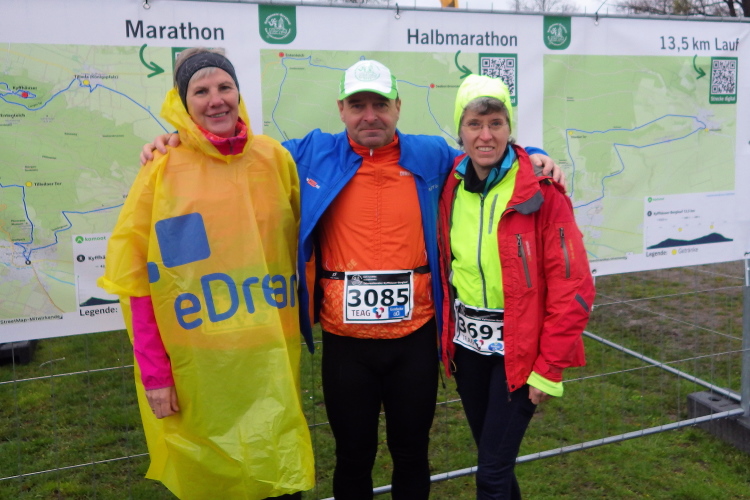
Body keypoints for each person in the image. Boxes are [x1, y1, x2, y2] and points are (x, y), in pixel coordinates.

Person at [141, 59, 564, 500]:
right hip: (347, 346)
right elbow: (239, 152)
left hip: (414, 341)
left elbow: (487, 150)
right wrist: (180, 140)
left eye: (380, 104)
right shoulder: (311, 153)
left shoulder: (430, 154)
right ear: (341, 109)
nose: (370, 116)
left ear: (398, 107)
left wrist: (534, 155)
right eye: (358, 105)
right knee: (353, 456)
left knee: (412, 453)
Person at [99, 48, 314, 500]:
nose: (216, 100)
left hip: (268, 358)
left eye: (224, 87)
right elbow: (137, 279)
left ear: (238, 92)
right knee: (215, 482)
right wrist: (155, 374)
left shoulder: (273, 158)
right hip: (201, 367)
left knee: (278, 472)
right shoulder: (162, 170)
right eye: (200, 91)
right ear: (183, 101)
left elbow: (301, 234)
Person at [437, 74, 595, 499]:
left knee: (490, 475)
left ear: (510, 128)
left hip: (520, 353)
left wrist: (549, 367)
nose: (485, 135)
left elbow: (574, 287)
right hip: (469, 350)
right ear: (460, 130)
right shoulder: (450, 182)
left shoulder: (541, 191)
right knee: (497, 465)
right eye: (474, 124)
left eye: (496, 123)